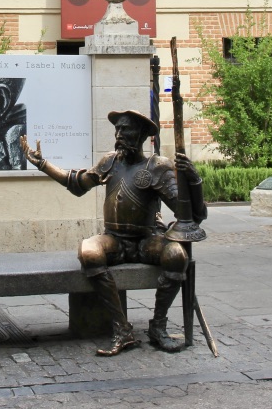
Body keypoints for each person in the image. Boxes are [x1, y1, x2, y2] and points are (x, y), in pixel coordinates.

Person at [20, 109, 206, 356]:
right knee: (89, 251)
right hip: (115, 240)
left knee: (176, 255)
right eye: (117, 129)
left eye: (125, 129)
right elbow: (77, 184)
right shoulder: (110, 162)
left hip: (146, 239)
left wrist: (194, 180)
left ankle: (158, 326)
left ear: (140, 134)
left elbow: (192, 216)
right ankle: (122, 329)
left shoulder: (157, 167)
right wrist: (43, 164)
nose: (118, 134)